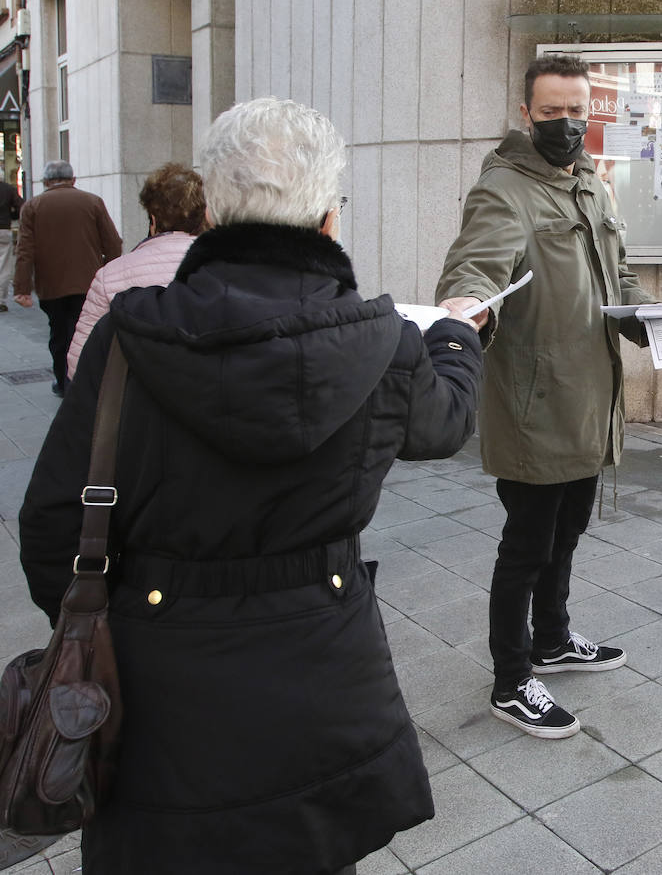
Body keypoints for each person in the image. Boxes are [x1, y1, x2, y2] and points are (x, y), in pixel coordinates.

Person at [19, 97, 483, 874]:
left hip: (159, 696)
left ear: (211, 207)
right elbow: (444, 427)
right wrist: (460, 338)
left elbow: (51, 531)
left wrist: (114, 623)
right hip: (327, 675)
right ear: (329, 219)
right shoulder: (386, 340)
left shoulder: (130, 335)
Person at [436, 54, 656, 739]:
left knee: (569, 530)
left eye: (576, 111)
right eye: (551, 111)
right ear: (526, 113)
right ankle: (511, 679)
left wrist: (651, 314)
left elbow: (617, 273)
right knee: (526, 544)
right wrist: (465, 303)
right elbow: (476, 263)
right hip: (535, 403)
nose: (566, 124)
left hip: (591, 398)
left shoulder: (592, 184)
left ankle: (553, 639)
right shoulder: (505, 189)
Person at [67, 163, 206, 379]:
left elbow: (80, 362)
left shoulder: (110, 276)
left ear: (153, 219)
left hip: (132, 405)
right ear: (205, 217)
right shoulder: (227, 270)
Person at [13, 160, 122, 396]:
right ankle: (86, 382)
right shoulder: (92, 202)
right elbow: (113, 242)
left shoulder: (33, 206)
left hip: (51, 285)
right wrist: (109, 270)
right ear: (73, 180)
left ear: (45, 182)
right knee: (85, 332)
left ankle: (63, 381)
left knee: (59, 333)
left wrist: (21, 287)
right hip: (87, 282)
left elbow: (25, 250)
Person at [0, 174, 23, 312]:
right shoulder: (8, 189)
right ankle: (0, 300)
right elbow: (21, 207)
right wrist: (12, 215)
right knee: (3, 266)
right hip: (3, 229)